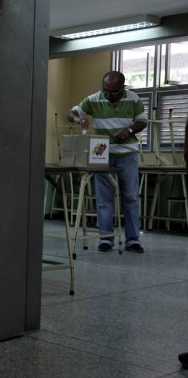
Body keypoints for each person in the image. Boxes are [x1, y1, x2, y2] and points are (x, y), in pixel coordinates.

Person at [66, 70, 148, 253]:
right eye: (105, 90)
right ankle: (106, 239)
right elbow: (70, 113)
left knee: (131, 198)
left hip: (127, 153)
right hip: (101, 152)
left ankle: (133, 240)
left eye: (113, 92)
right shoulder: (95, 99)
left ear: (122, 88)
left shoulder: (133, 99)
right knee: (104, 199)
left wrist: (129, 131)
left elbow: (143, 122)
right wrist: (79, 118)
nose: (108, 95)